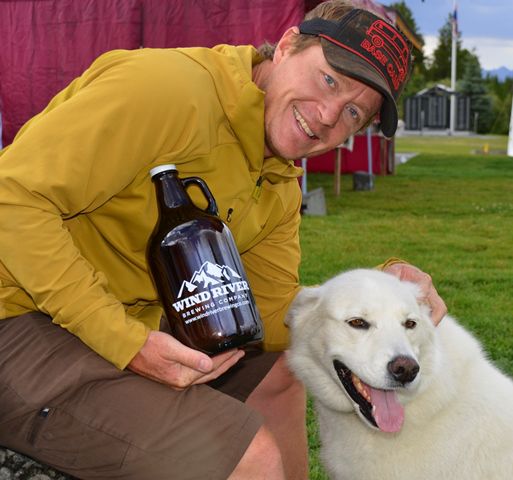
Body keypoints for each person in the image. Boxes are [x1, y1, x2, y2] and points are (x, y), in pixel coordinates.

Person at [0, 1, 446, 479]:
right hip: (21, 316)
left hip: (124, 322)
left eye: (353, 112)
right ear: (289, 44)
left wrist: (382, 291)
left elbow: (274, 317)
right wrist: (126, 342)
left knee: (284, 367)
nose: (325, 116)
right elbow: (12, 199)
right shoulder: (166, 91)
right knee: (249, 457)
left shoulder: (277, 175)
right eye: (329, 79)